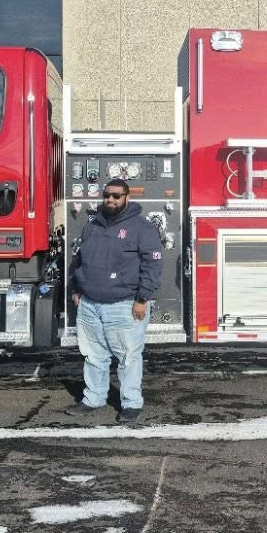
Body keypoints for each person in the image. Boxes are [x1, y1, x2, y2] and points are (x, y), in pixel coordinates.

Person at [66, 178, 163, 423]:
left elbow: (153, 265)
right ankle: (94, 399)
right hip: (90, 304)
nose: (111, 199)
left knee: (128, 357)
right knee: (93, 355)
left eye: (116, 196)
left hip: (124, 303)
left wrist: (142, 299)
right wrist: (77, 288)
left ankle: (131, 404)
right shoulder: (93, 225)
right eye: (107, 195)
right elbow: (79, 258)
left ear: (127, 198)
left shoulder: (142, 228)